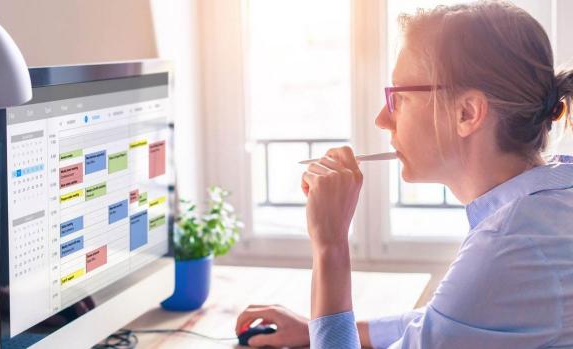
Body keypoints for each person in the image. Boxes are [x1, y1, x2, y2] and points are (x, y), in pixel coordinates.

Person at [235, 1, 573, 348]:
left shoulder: (509, 246)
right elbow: (444, 321)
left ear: (467, 113)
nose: (382, 118)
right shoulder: (550, 202)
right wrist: (316, 330)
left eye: (399, 97)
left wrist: (331, 245)